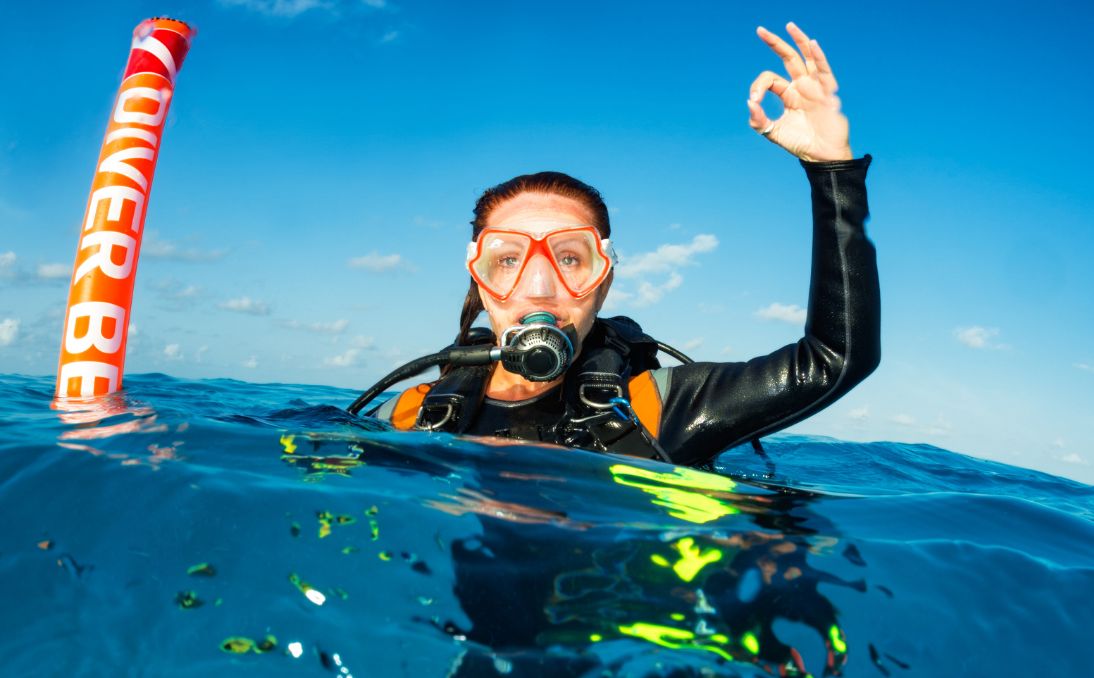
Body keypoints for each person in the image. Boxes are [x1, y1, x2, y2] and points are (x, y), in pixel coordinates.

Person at [369, 22, 879, 469]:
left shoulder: (658, 408)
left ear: (605, 277)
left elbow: (835, 358)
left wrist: (831, 169)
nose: (541, 288)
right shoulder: (411, 413)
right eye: (508, 260)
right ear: (478, 278)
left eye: (570, 258)